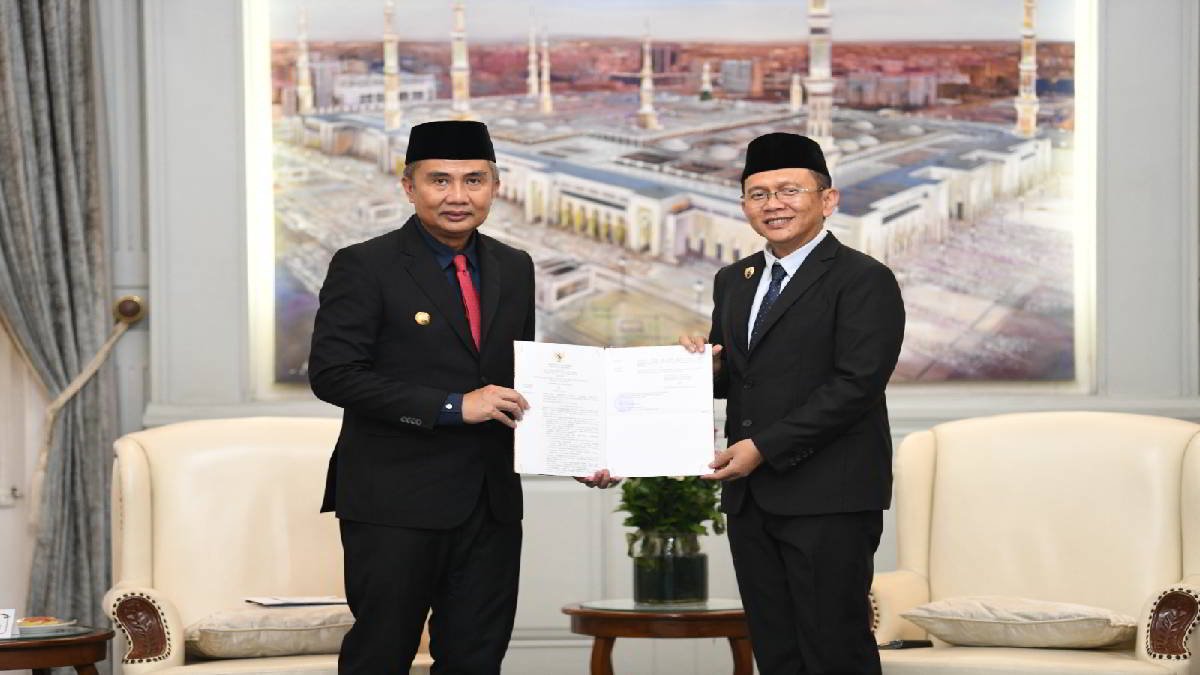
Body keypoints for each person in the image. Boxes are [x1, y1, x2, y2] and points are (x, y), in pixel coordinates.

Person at [310, 120, 614, 674]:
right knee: (381, 655)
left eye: (473, 180)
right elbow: (333, 375)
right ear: (409, 187)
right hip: (394, 504)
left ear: (495, 186)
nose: (457, 197)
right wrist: (454, 405)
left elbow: (519, 380)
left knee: (477, 660)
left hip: (490, 503)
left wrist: (572, 448)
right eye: (439, 181)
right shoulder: (364, 265)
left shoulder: (513, 267)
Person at [681, 132, 905, 674]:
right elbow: (744, 377)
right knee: (776, 649)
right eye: (758, 194)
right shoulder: (735, 280)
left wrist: (762, 446)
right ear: (743, 206)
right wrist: (704, 369)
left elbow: (856, 385)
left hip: (829, 497)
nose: (773, 205)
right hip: (752, 497)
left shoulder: (863, 280)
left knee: (833, 649)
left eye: (789, 191)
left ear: (827, 200)